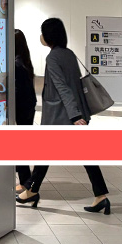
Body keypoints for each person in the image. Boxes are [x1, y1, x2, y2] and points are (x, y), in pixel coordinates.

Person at [16, 18, 110, 214]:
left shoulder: (52, 58)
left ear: (49, 36)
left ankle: (32, 191)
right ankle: (100, 196)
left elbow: (62, 87)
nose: (41, 36)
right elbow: (75, 85)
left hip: (61, 115)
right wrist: (78, 113)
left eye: (43, 32)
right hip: (73, 112)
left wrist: (74, 116)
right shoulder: (69, 54)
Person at [14, 29, 37, 193]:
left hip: (21, 107)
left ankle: (24, 182)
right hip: (28, 106)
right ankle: (24, 179)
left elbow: (16, 90)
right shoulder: (25, 61)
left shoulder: (16, 64)